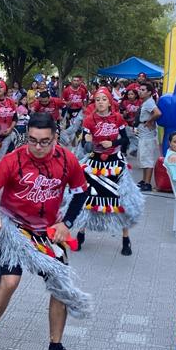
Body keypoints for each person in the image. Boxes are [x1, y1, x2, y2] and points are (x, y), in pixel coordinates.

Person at [0, 111, 91, 350]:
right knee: (9, 282)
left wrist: (67, 223)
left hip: (48, 233)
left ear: (55, 138)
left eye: (44, 141)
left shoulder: (68, 160)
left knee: (60, 285)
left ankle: (55, 347)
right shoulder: (13, 160)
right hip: (15, 230)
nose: (37, 146)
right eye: (32, 140)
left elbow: (81, 193)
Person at [73, 88, 141, 255]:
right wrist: (88, 142)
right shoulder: (89, 120)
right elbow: (85, 143)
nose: (100, 102)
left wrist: (113, 143)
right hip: (95, 163)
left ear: (110, 102)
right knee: (87, 198)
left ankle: (126, 239)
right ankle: (80, 234)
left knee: (121, 200)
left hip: (115, 162)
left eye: (104, 99)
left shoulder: (117, 118)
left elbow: (125, 139)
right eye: (97, 99)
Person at [133, 83, 161, 191]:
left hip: (147, 135)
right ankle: (144, 180)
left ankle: (147, 183)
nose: (140, 91)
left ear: (149, 92)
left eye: (143, 90)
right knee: (144, 158)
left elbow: (157, 113)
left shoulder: (149, 102)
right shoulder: (146, 102)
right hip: (143, 133)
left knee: (147, 159)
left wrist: (149, 121)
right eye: (140, 89)